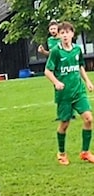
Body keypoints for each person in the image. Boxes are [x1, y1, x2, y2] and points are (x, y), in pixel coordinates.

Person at [44, 21, 94, 165]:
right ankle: (61, 153)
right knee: (64, 124)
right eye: (62, 33)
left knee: (89, 119)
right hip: (64, 95)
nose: (65, 35)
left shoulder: (77, 50)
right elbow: (47, 71)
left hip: (79, 91)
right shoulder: (56, 52)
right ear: (59, 35)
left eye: (67, 32)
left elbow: (80, 66)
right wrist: (56, 82)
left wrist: (88, 82)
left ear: (72, 34)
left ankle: (85, 152)